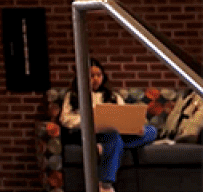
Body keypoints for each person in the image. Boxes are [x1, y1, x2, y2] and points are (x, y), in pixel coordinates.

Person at [60, 58, 158, 192]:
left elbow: (123, 115)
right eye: (91, 76)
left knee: (151, 131)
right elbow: (65, 119)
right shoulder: (73, 95)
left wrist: (134, 128)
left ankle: (104, 148)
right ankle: (105, 184)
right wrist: (89, 121)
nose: (95, 79)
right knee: (114, 138)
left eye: (98, 75)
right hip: (90, 133)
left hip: (113, 131)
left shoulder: (113, 95)